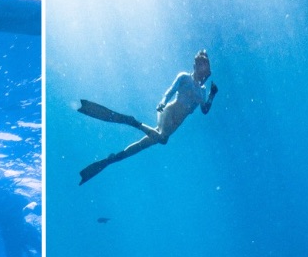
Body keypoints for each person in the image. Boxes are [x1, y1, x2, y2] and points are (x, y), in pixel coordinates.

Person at [77, 52, 217, 184]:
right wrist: (162, 102)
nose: (202, 70)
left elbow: (204, 109)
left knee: (143, 145)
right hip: (169, 111)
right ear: (195, 66)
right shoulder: (184, 77)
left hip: (175, 124)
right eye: (200, 65)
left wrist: (211, 95)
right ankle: (133, 122)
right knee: (162, 139)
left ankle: (113, 159)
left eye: (205, 67)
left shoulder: (202, 91)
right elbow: (171, 90)